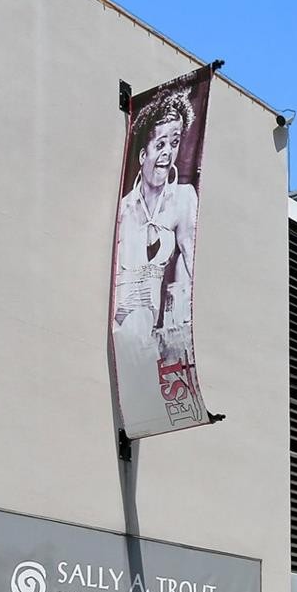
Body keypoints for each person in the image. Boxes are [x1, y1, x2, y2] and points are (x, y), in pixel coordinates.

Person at [111, 86, 202, 426]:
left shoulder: (183, 199)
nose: (167, 153)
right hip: (125, 327)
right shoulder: (124, 211)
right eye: (160, 144)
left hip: (156, 330)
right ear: (142, 153)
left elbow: (188, 263)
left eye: (174, 142)